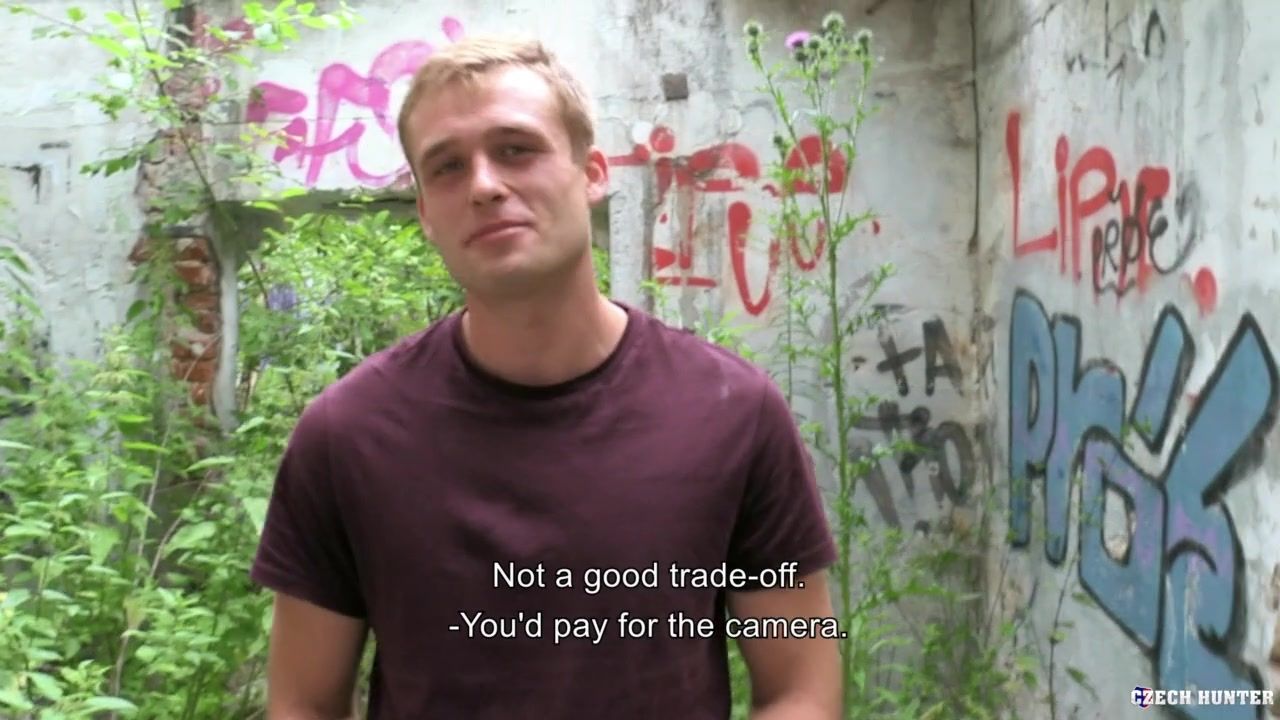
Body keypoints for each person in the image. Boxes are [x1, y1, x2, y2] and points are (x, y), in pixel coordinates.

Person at [250, 33, 842, 719]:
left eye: (516, 149)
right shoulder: (347, 436)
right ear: (425, 213)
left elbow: (801, 683)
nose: (483, 185)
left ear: (592, 173)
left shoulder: (732, 412)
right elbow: (303, 703)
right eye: (447, 166)